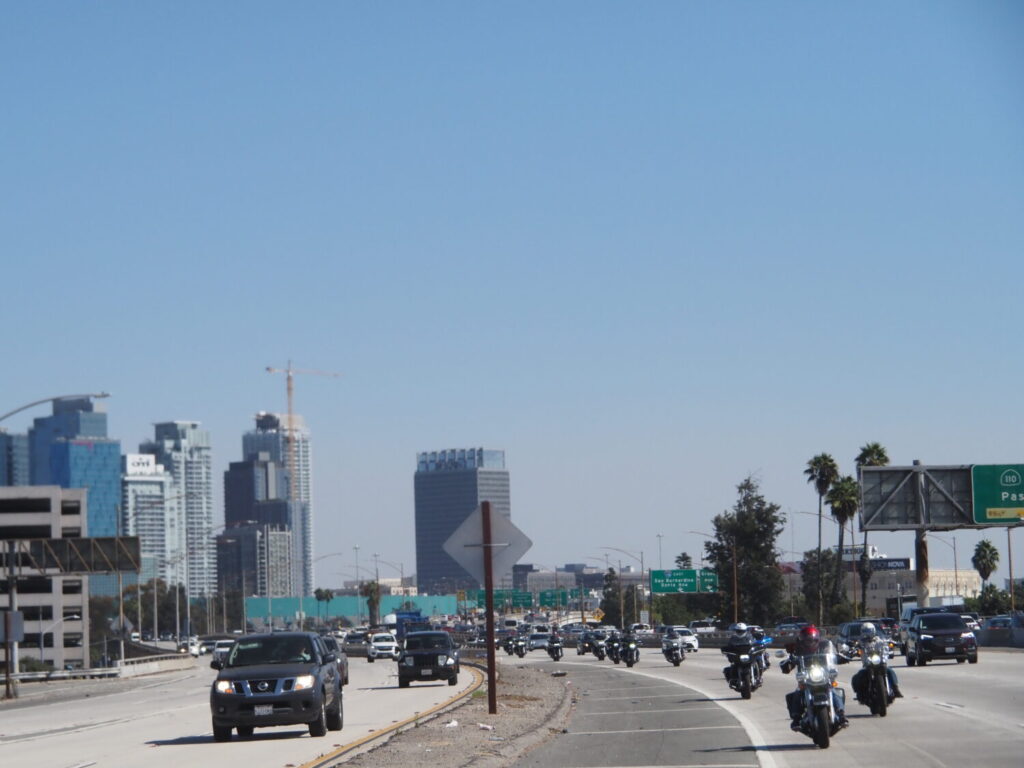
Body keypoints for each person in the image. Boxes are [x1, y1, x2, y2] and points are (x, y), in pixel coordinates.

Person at [780, 625, 849, 730]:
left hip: (823, 677)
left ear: (817, 639)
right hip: (806, 679)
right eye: (807, 640)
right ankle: (796, 719)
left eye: (812, 640)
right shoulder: (798, 649)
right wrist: (788, 663)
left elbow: (832, 656)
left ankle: (841, 714)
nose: (810, 642)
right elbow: (791, 659)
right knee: (798, 693)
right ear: (802, 640)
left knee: (833, 690)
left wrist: (840, 657)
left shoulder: (824, 645)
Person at [851, 622, 903, 702]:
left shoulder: (878, 640)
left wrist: (892, 642)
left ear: (873, 631)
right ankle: (860, 693)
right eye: (865, 631)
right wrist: (852, 649)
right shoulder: (861, 642)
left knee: (890, 671)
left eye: (869, 631)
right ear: (862, 632)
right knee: (858, 676)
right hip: (867, 664)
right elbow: (854, 647)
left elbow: (885, 643)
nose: (867, 634)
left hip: (879, 662)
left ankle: (895, 689)